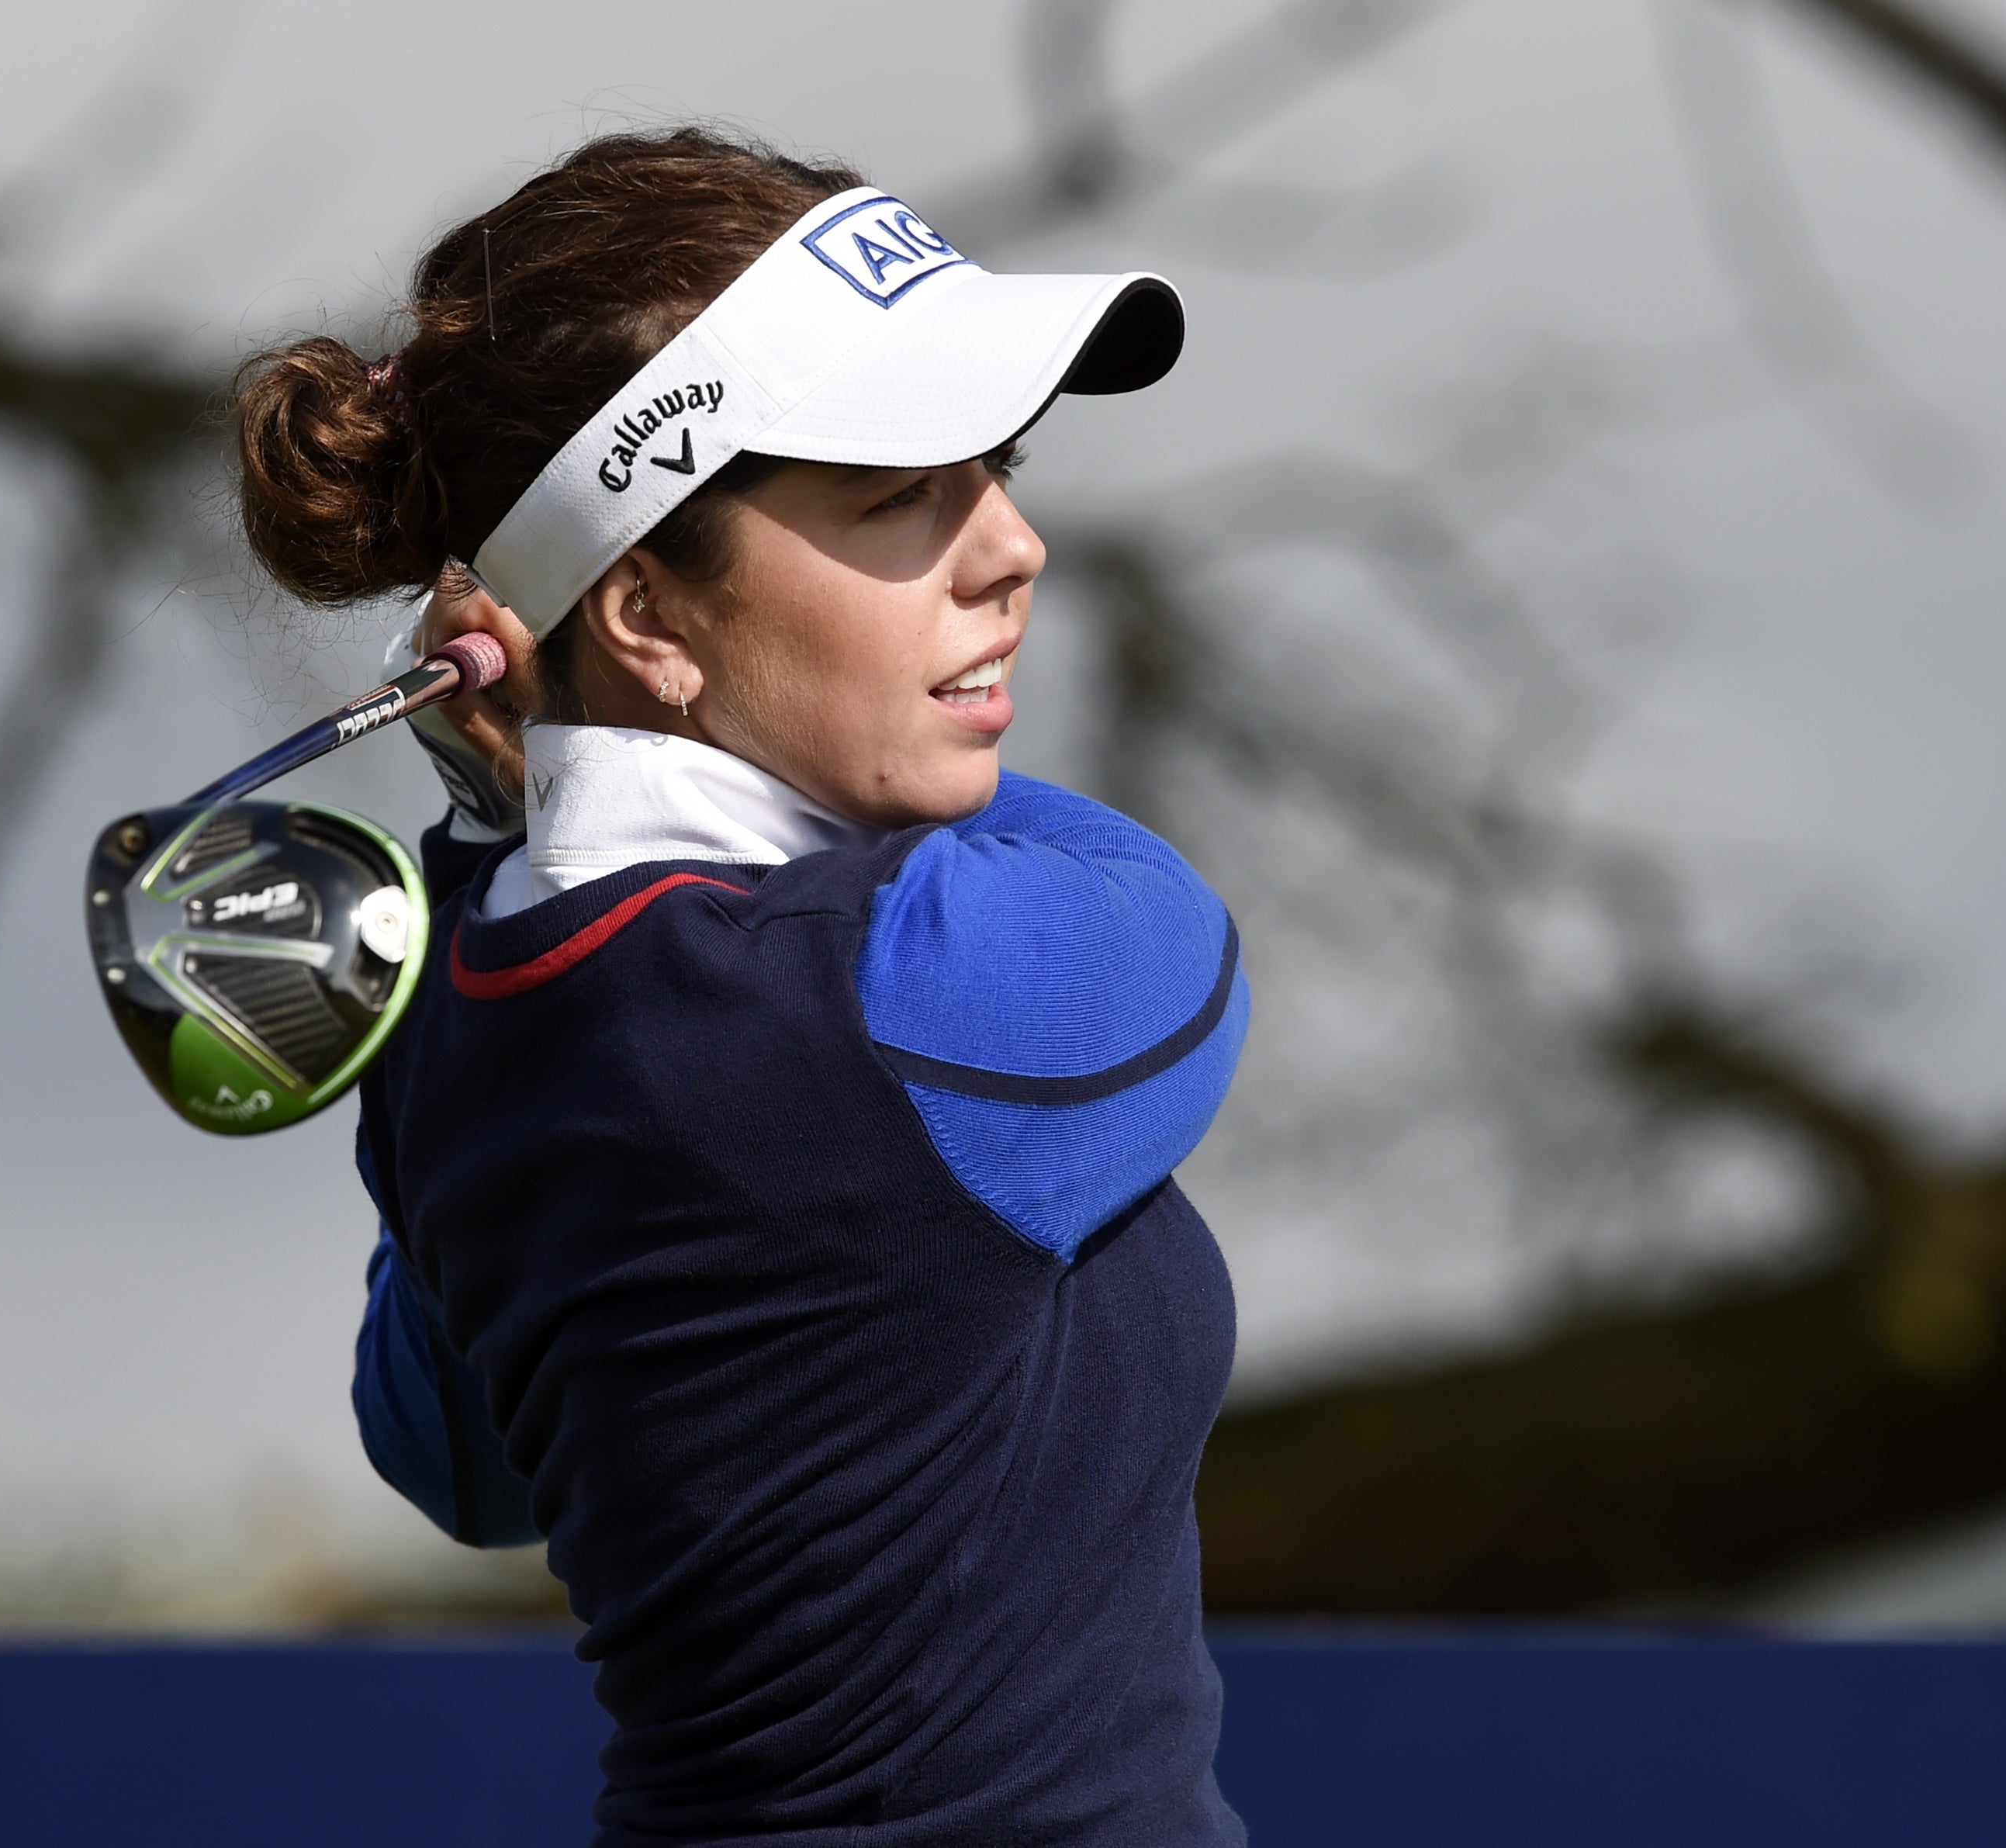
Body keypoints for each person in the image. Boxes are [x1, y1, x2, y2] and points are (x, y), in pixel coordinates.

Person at [236, 128, 1250, 1846]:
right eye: (896, 497)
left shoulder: (468, 999)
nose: (1013, 550)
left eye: (994, 470)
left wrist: (524, 802)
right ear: (644, 610)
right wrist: (546, 773)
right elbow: (1174, 934)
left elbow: (459, 1459)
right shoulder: (887, 1003)